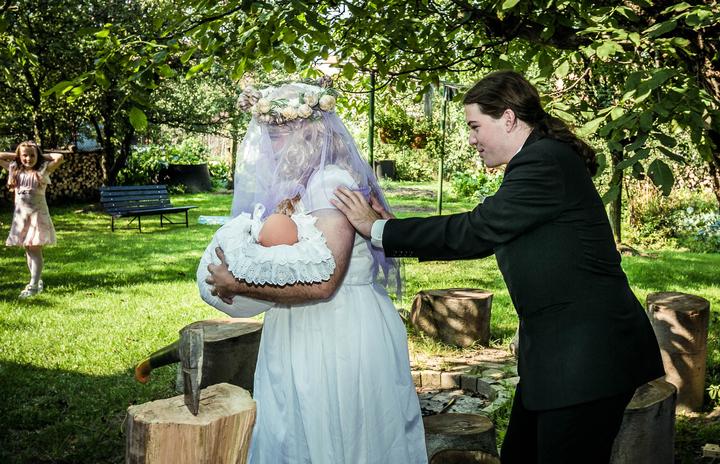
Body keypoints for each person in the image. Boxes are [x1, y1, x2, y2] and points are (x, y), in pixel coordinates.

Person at [332, 70, 665, 464]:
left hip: (588, 357)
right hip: (560, 353)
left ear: (508, 118)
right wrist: (391, 228)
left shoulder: (544, 161)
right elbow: (492, 232)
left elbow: (477, 230)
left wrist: (378, 230)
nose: (470, 139)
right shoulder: (541, 159)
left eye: (475, 126)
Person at [205, 82, 427, 464]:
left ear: (308, 133)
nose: (269, 147)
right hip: (303, 327)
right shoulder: (305, 182)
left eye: (277, 135)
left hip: (336, 330)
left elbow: (325, 283)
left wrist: (237, 283)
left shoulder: (329, 184)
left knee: (338, 435)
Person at [0, 141, 64, 298]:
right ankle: (36, 280)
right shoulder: (14, 169)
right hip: (21, 218)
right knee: (28, 249)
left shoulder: (43, 170)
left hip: (37, 217)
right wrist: (17, 155)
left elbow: (59, 157)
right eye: (25, 155)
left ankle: (33, 285)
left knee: (35, 250)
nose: (28, 159)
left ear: (37, 156)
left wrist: (41, 155)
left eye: (32, 155)